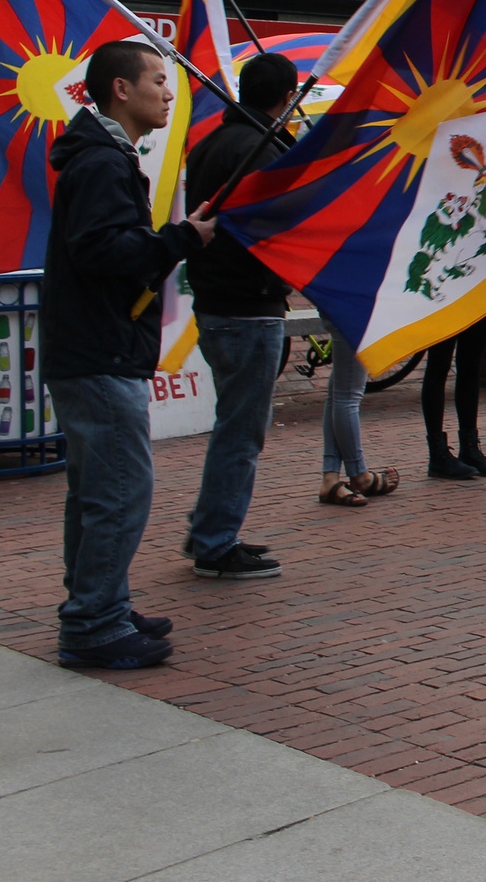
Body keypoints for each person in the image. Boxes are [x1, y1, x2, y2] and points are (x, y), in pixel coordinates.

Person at [40, 40, 215, 669]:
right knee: (119, 490)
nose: (168, 92)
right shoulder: (100, 164)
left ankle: (100, 603)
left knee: (96, 490)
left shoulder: (102, 157)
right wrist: (177, 240)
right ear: (121, 89)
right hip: (99, 350)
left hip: (93, 346)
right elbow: (102, 252)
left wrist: (172, 238)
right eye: (158, 80)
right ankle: (93, 624)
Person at [184, 52, 297, 579]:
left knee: (235, 422)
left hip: (216, 302)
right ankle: (214, 541)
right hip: (247, 305)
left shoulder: (212, 142)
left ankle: (212, 527)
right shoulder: (259, 149)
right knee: (241, 428)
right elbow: (277, 226)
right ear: (285, 97)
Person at [317, 317, 399, 507]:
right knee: (348, 395)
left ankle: (330, 477)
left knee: (341, 388)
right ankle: (359, 475)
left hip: (338, 303)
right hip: (351, 307)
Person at [422, 316, 486, 481]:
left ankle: (470, 447)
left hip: (477, 295)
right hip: (444, 298)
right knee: (438, 364)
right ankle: (438, 454)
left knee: (471, 365)